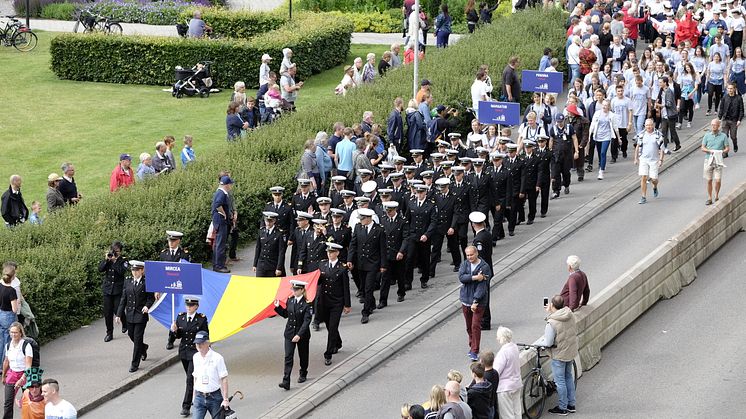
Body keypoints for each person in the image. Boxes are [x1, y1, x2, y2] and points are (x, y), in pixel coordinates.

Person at [537, 295, 578, 416]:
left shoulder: (552, 322)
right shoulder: (569, 314)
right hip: (569, 351)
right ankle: (571, 404)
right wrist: (551, 311)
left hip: (559, 354)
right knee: (568, 377)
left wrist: (537, 344)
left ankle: (562, 407)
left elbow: (548, 342)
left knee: (560, 381)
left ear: (552, 305)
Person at [347, 208, 387, 324]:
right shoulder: (358, 227)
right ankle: (372, 303)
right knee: (363, 287)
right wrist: (350, 259)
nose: (361, 221)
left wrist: (383, 265)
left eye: (362, 219)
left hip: (373, 263)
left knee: (369, 288)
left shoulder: (379, 230)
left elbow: (382, 249)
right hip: (361, 263)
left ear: (369, 218)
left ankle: (365, 312)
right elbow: (353, 245)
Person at [170, 297, 208, 417]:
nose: (188, 307)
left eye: (191, 305)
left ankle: (186, 406)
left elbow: (205, 335)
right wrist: (174, 331)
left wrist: (204, 350)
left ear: (196, 306)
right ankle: (203, 393)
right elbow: (178, 336)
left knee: (190, 379)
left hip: (195, 352)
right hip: (183, 352)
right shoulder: (180, 317)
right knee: (191, 376)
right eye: (187, 305)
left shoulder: (201, 319)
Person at [115, 260, 155, 373]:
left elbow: (150, 298)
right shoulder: (128, 281)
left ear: (142, 271)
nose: (134, 272)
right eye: (133, 270)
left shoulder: (146, 283)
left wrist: (147, 306)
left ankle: (135, 364)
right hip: (130, 315)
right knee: (131, 335)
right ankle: (143, 347)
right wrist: (118, 314)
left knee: (137, 339)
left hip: (141, 315)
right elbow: (124, 298)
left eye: (137, 270)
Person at [274, 280, 313, 390]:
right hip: (290, 333)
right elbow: (286, 315)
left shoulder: (307, 304)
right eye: (293, 289)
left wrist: (299, 335)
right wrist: (278, 308)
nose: (294, 291)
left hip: (302, 335)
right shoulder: (290, 300)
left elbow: (306, 322)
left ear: (302, 290)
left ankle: (303, 372)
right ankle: (286, 381)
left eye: (296, 290)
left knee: (303, 355)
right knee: (288, 357)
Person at [316, 243, 350, 366]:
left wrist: (347, 305)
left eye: (332, 252)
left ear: (337, 253)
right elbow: (318, 281)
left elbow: (346, 287)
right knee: (330, 326)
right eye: (328, 252)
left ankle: (328, 354)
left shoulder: (342, 268)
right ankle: (338, 342)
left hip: (337, 302)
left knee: (332, 327)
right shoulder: (322, 265)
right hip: (324, 301)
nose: (329, 254)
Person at [459, 246, 492, 361]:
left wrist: (476, 301)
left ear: (476, 253)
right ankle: (472, 344)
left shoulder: (484, 267)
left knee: (475, 325)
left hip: (478, 303)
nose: (469, 257)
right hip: (465, 300)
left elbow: (482, 286)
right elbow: (461, 277)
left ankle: (474, 350)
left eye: (471, 255)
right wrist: (474, 277)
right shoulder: (464, 264)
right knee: (468, 326)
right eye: (467, 255)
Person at [191, 332, 229, 419]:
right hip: (199, 396)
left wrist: (225, 399)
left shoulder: (217, 358)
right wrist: (194, 396)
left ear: (208, 343)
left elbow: (224, 379)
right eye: (197, 343)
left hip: (214, 397)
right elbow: (195, 377)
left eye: (201, 343)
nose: (199, 346)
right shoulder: (195, 357)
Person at [98, 241, 128, 342]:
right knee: (108, 312)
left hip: (118, 289)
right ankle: (109, 333)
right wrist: (107, 260)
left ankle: (125, 323)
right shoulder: (108, 259)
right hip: (107, 289)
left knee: (117, 309)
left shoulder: (123, 261)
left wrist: (115, 261)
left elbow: (121, 271)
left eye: (117, 252)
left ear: (120, 252)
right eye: (114, 251)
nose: (115, 253)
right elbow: (100, 269)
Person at [3, 322, 32, 418]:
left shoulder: (26, 346)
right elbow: (6, 361)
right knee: (8, 402)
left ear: (20, 333)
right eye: (11, 332)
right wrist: (3, 376)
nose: (13, 335)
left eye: (15, 332)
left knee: (29, 401)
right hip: (12, 374)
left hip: (25, 375)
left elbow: (28, 366)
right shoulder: (8, 345)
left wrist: (22, 379)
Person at [634, 119, 665, 204]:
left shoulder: (658, 135)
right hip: (643, 159)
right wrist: (636, 158)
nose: (649, 127)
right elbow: (637, 146)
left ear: (653, 125)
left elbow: (662, 148)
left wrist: (661, 159)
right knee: (643, 177)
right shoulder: (641, 135)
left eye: (650, 125)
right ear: (645, 126)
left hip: (654, 160)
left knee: (654, 179)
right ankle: (643, 197)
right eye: (647, 125)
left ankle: (655, 186)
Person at [495, 326, 522, 419]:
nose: (497, 338)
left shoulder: (503, 352)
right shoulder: (514, 347)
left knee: (507, 414)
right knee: (517, 411)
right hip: (516, 383)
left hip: (505, 387)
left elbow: (496, 371)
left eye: (498, 337)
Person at [702, 118, 730, 205]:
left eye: (715, 125)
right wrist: (709, 151)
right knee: (709, 180)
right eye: (712, 125)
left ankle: (716, 195)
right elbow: (702, 147)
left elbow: (727, 148)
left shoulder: (723, 136)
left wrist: (722, 151)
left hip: (718, 160)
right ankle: (710, 198)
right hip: (708, 159)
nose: (713, 126)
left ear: (719, 126)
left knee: (717, 180)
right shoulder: (707, 135)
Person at [211, 176, 234, 273]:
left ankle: (216, 263)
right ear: (227, 185)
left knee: (218, 244)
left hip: (219, 221)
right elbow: (217, 205)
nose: (231, 186)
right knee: (220, 244)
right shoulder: (222, 193)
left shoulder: (220, 192)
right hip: (221, 221)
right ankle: (219, 266)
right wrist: (224, 213)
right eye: (230, 184)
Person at [253, 212, 287, 278]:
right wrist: (255, 264)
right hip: (261, 264)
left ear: (274, 221)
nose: (268, 223)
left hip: (272, 264)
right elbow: (258, 248)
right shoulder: (261, 231)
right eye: (267, 221)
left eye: (270, 221)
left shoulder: (279, 233)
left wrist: (279, 267)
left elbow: (281, 252)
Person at [718, 82, 744, 153]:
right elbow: (721, 108)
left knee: (733, 137)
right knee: (724, 136)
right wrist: (719, 118)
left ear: (734, 89)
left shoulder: (739, 98)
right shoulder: (724, 97)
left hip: (734, 120)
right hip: (725, 120)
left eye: (731, 88)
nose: (730, 90)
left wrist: (739, 120)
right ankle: (725, 152)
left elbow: (741, 110)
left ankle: (735, 145)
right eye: (728, 88)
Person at [0, 267, 18, 365]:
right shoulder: (11, 290)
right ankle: (3, 366)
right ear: (13, 276)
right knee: (7, 342)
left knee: (1, 341)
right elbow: (14, 309)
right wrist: (18, 302)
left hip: (0, 313)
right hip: (8, 316)